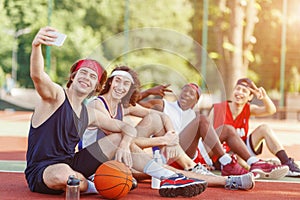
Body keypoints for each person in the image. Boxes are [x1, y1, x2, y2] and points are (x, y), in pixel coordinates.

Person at [24, 26, 207, 198]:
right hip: (43, 169)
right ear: (73, 77)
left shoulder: (90, 113)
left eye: (92, 76)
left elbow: (127, 129)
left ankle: (169, 177)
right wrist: (37, 45)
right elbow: (38, 75)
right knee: (64, 174)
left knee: (117, 138)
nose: (87, 77)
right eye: (83, 73)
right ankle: (93, 185)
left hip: (71, 163)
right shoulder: (56, 97)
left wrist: (124, 144)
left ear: (97, 86)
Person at [81, 65, 255, 191]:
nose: (120, 87)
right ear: (110, 82)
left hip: (118, 157)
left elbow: (163, 117)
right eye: (117, 81)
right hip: (97, 162)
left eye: (125, 84)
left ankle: (187, 168)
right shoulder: (97, 105)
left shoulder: (122, 106)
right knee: (162, 168)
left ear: (130, 88)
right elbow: (121, 141)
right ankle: (225, 180)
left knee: (155, 118)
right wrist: (162, 140)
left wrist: (171, 138)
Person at [138, 83, 289, 179]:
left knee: (227, 129)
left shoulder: (192, 114)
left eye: (192, 93)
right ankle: (226, 163)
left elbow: (205, 136)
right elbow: (133, 104)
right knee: (202, 120)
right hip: (171, 154)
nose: (186, 94)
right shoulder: (163, 105)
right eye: (184, 90)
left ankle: (254, 162)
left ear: (196, 101)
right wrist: (148, 92)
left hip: (194, 155)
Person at [210, 78, 300, 177]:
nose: (239, 92)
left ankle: (287, 163)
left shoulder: (248, 109)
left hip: (243, 150)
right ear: (233, 91)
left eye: (244, 91)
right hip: (222, 153)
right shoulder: (217, 109)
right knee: (241, 163)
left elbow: (271, 110)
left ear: (250, 97)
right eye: (238, 89)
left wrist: (264, 97)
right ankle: (266, 167)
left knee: (264, 128)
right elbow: (205, 137)